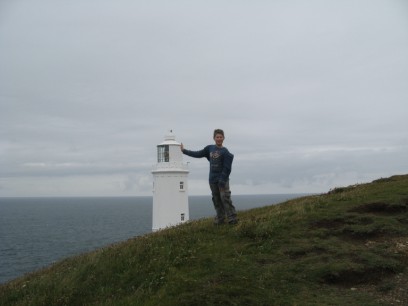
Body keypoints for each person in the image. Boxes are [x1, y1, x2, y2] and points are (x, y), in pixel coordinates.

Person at [181, 129, 238, 225]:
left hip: (222, 180)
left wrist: (222, 180)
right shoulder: (209, 148)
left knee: (225, 198)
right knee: (216, 199)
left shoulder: (225, 152)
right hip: (212, 180)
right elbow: (198, 154)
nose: (219, 139)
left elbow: (227, 168)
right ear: (214, 138)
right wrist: (184, 151)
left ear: (223, 138)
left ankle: (232, 219)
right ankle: (220, 219)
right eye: (217, 137)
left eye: (221, 137)